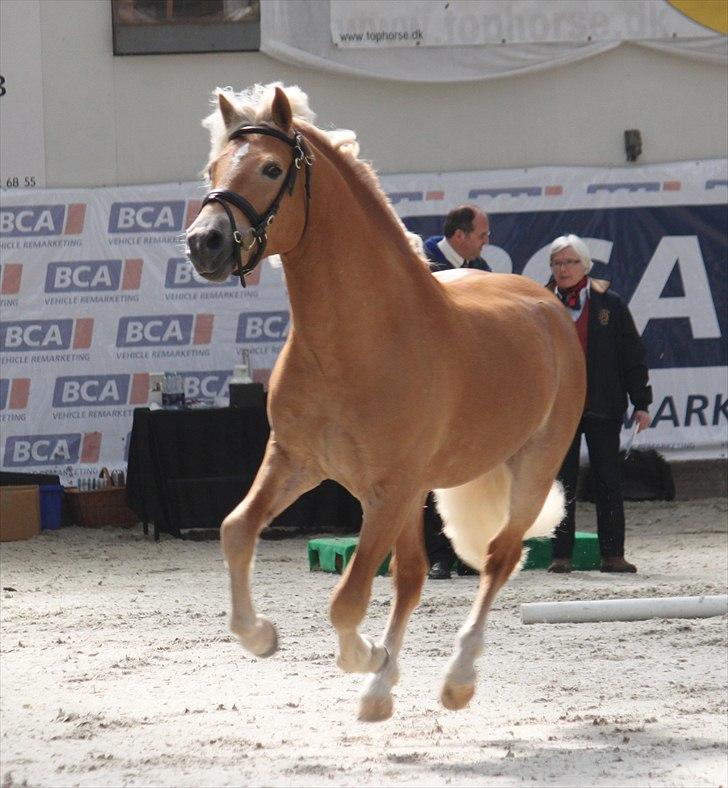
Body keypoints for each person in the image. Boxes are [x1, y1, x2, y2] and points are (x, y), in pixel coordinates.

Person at [546, 234, 652, 574]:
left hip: (603, 405)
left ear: (586, 266)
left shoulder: (611, 304)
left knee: (608, 479)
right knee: (561, 483)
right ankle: (560, 556)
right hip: (558, 410)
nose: (563, 269)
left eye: (569, 262)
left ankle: (613, 555)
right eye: (557, 263)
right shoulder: (540, 304)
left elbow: (632, 355)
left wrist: (641, 402)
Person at [423, 204, 491, 580]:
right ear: (459, 236)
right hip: (429, 388)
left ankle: (467, 553)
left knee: (470, 473)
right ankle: (437, 556)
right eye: (482, 235)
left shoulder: (482, 272)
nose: (486, 242)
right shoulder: (422, 263)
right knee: (431, 473)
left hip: (469, 390)